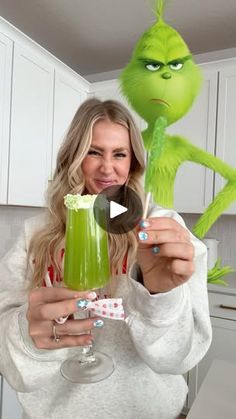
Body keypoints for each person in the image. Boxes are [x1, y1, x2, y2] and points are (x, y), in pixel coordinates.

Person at [0, 98, 211, 419]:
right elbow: (7, 355)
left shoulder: (164, 231)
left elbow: (179, 359)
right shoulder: (35, 234)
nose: (107, 168)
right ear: (74, 157)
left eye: (120, 154)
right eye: (93, 151)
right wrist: (28, 337)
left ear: (134, 163)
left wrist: (160, 298)